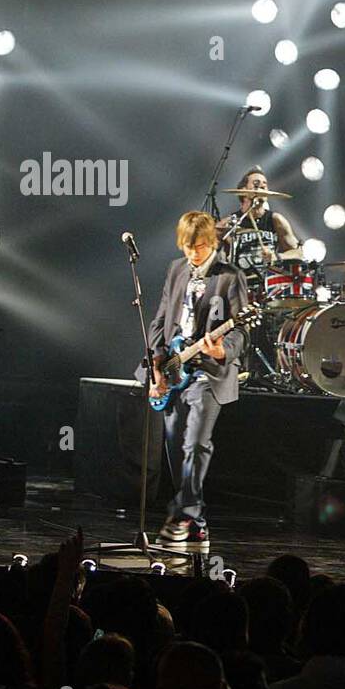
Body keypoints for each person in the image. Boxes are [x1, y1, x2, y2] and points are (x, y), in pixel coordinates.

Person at [142, 211, 251, 544]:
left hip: (209, 372)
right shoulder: (176, 269)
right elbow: (161, 320)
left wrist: (221, 350)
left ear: (212, 241)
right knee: (174, 445)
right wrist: (156, 365)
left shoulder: (230, 277)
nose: (193, 253)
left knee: (196, 443)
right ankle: (195, 518)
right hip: (176, 368)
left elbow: (242, 330)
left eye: (200, 246)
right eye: (188, 247)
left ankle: (185, 513)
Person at [217, 166, 300, 270]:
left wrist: (276, 257)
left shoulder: (275, 219)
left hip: (268, 281)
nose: (262, 186)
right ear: (243, 190)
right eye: (256, 183)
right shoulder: (229, 222)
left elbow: (299, 253)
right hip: (239, 282)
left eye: (264, 184)